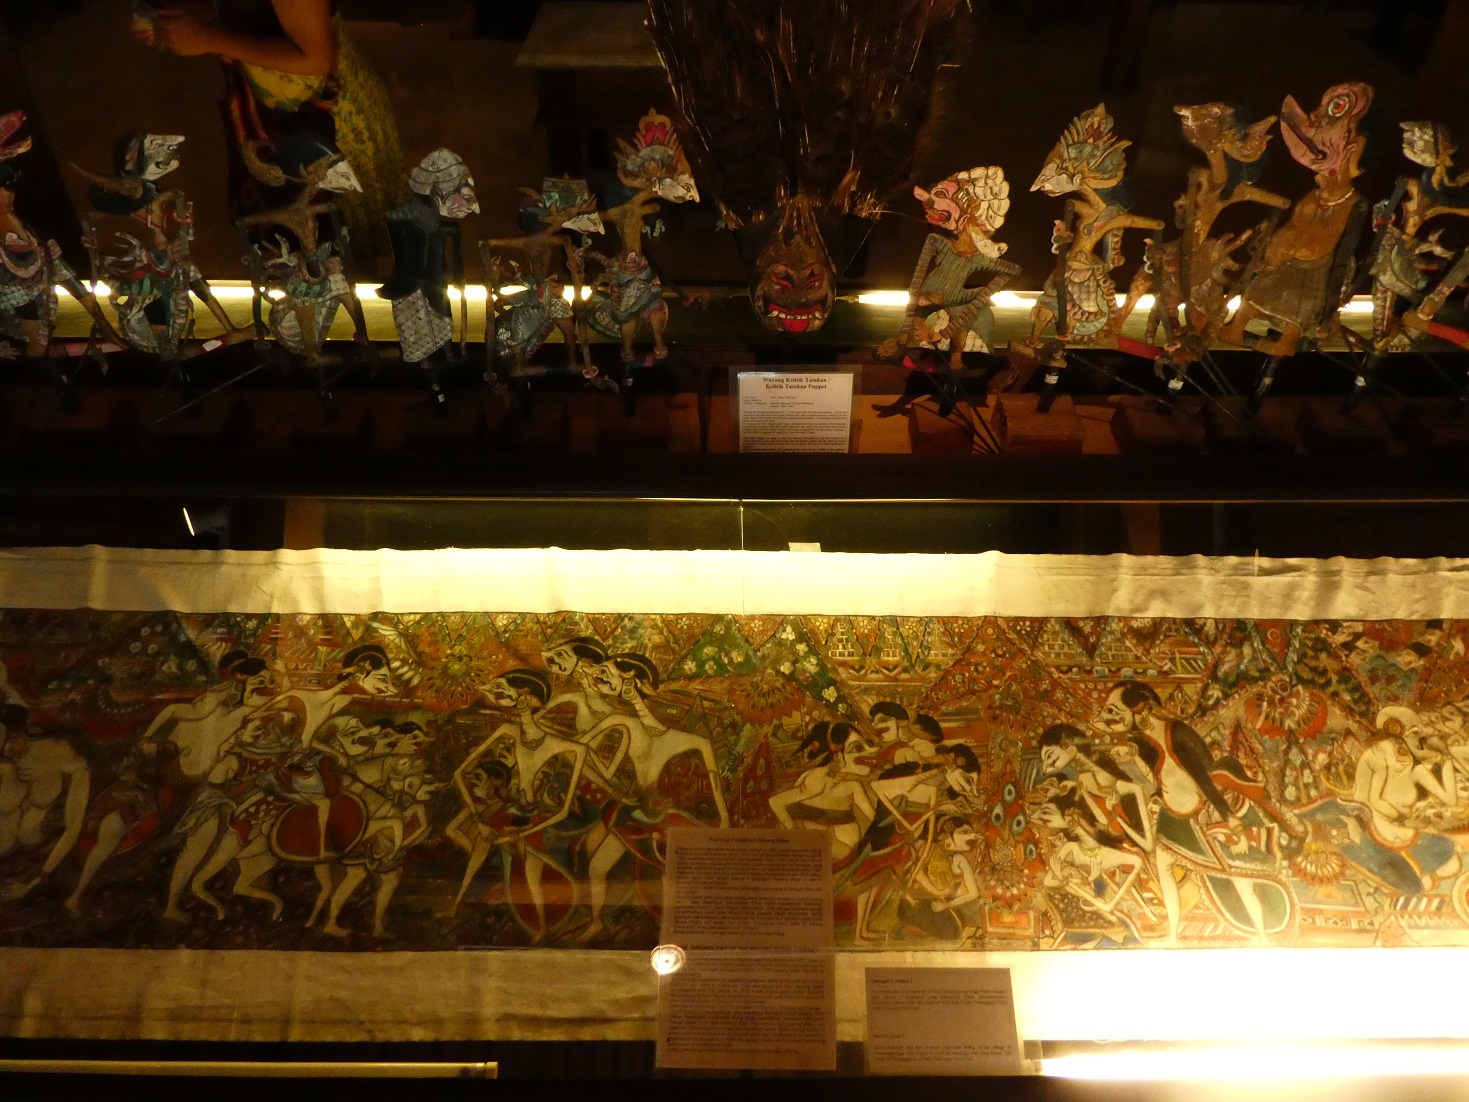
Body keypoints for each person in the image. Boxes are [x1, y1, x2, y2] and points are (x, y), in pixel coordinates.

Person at [132, 0, 404, 268]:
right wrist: (177, 19)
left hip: (327, 123)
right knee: (283, 253)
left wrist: (210, 39)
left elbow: (316, 59)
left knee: (335, 259)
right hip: (272, 120)